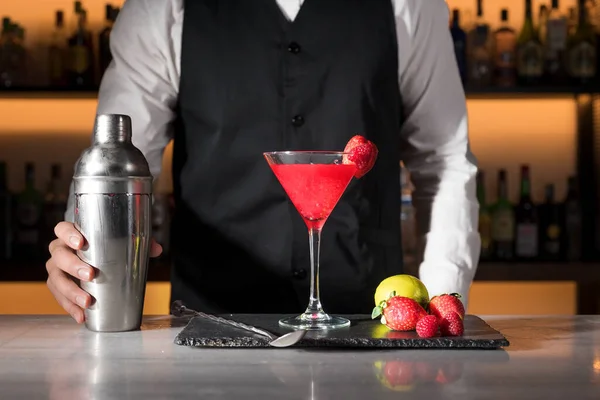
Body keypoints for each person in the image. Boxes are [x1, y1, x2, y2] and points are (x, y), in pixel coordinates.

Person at [46, 0, 480, 324]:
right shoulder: (161, 7)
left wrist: (438, 308)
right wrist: (82, 253)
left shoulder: (409, 5)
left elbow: (443, 160)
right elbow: (116, 165)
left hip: (372, 327)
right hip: (209, 331)